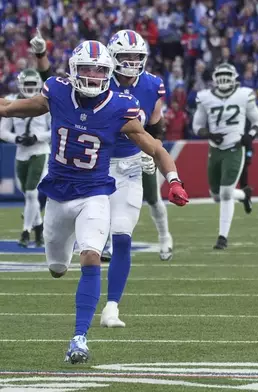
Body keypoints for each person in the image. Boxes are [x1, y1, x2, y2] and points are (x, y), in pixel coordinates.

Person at [0, 40, 189, 363]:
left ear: (108, 72)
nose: (92, 75)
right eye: (86, 68)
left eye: (100, 70)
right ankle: (67, 264)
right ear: (73, 70)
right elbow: (9, 107)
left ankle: (79, 338)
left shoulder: (119, 106)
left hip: (95, 193)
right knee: (58, 268)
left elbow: (156, 147)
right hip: (58, 194)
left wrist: (173, 179)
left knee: (91, 256)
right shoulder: (57, 92)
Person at [99, 29, 173, 329]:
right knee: (61, 258)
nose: (131, 61)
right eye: (125, 56)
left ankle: (112, 307)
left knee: (122, 236)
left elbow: (156, 126)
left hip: (130, 163)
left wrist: (151, 152)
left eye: (136, 56)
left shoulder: (153, 85)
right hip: (97, 161)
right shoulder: (98, 80)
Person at [192, 63, 258, 250]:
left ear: (234, 77)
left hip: (234, 147)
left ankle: (222, 238)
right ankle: (244, 195)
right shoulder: (205, 97)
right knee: (215, 195)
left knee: (224, 193)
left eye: (226, 75)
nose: (223, 79)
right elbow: (197, 125)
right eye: (220, 75)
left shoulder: (244, 95)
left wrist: (250, 135)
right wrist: (208, 134)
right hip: (214, 149)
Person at [0, 69, 50, 247]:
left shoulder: (46, 102)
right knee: (28, 193)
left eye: (32, 84)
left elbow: (55, 130)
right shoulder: (12, 101)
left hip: (40, 151)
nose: (29, 88)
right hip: (21, 152)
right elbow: (3, 131)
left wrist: (37, 137)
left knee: (30, 192)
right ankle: (39, 229)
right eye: (26, 84)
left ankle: (25, 232)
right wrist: (17, 138)